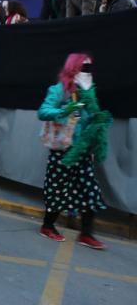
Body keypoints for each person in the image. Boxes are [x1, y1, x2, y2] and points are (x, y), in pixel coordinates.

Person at [37, 54, 111, 250]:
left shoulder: (90, 93)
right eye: (84, 68)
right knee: (57, 189)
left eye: (90, 68)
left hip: (83, 151)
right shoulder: (59, 90)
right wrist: (65, 110)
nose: (88, 72)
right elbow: (43, 111)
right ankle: (47, 225)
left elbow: (90, 120)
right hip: (63, 149)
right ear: (73, 68)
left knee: (90, 191)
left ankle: (86, 234)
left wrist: (98, 127)